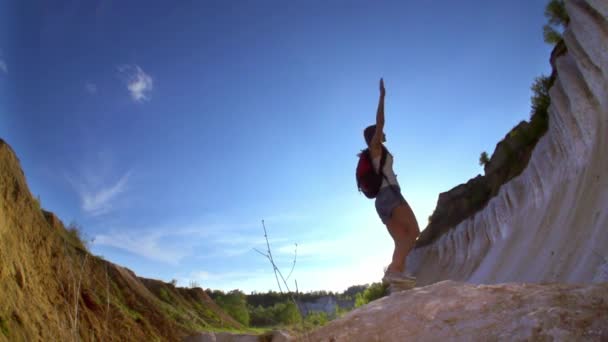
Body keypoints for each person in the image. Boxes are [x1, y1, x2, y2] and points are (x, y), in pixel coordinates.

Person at [364, 78, 420, 284]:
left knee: (402, 240)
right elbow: (380, 122)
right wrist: (382, 97)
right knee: (414, 232)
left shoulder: (376, 154)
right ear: (374, 138)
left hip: (381, 202)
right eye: (378, 134)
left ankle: (398, 277)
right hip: (390, 195)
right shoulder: (376, 149)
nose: (382, 133)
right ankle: (393, 271)